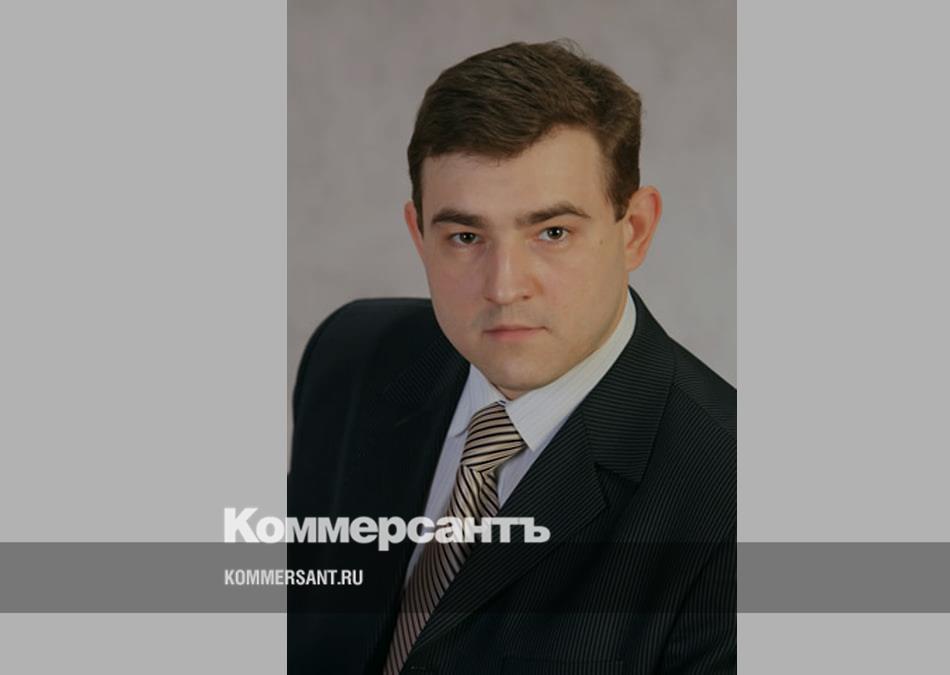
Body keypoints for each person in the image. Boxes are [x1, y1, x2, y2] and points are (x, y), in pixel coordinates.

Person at [288, 40, 735, 674]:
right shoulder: (353, 358)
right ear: (419, 234)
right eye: (465, 236)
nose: (503, 287)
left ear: (634, 230)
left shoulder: (735, 501)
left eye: (552, 233)